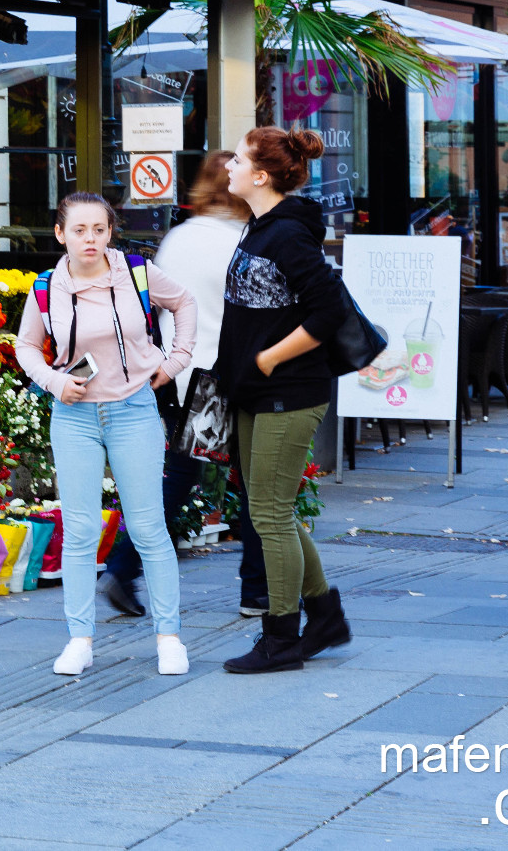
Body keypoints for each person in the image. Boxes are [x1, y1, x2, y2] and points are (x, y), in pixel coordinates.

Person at [16, 192, 198, 678]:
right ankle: (79, 640)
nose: (90, 239)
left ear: (110, 232)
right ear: (61, 234)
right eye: (79, 230)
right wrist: (55, 381)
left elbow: (184, 303)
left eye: (98, 229)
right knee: (79, 532)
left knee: (148, 528)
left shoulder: (135, 272)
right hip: (74, 416)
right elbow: (27, 346)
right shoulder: (47, 286)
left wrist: (175, 361)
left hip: (133, 409)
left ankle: (169, 637)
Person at [101, 151, 269, 619]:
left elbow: (153, 307)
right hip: (230, 375)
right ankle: (257, 590)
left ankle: (122, 566)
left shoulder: (179, 237)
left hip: (181, 373)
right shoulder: (246, 238)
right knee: (254, 479)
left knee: (180, 474)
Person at [216, 127, 354, 673]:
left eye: (238, 158)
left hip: (288, 392)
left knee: (269, 515)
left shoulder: (288, 235)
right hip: (258, 392)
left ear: (261, 175)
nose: (228, 164)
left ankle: (280, 639)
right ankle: (324, 616)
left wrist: (270, 358)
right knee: (270, 510)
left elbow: (328, 312)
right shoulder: (260, 226)